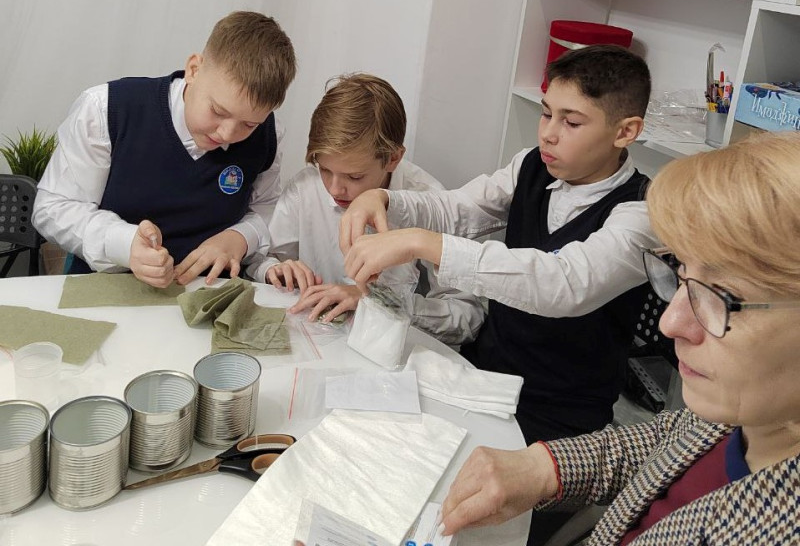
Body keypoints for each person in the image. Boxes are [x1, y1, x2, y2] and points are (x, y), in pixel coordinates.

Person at [439, 131, 800, 545]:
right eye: (682, 277)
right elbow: (677, 436)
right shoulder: (752, 417)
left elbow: (563, 282)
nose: (670, 323)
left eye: (723, 297)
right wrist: (546, 467)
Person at [340, 44, 659, 444]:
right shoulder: (532, 165)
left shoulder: (642, 213)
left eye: (572, 122)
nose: (548, 133)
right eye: (546, 113)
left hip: (560, 415)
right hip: (483, 376)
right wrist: (384, 199)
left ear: (625, 131)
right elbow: (459, 208)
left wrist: (421, 242)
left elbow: (561, 283)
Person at [33, 11, 297, 288]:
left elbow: (267, 208)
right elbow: (53, 208)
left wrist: (242, 236)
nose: (227, 134)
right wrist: (123, 243)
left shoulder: (270, 134)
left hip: (210, 295)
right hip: (105, 288)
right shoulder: (105, 109)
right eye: (218, 111)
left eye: (249, 124)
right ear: (194, 69)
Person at [247, 73, 484, 346]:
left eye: (354, 176)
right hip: (313, 342)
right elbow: (261, 260)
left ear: (393, 158)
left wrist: (381, 303)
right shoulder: (304, 188)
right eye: (324, 169)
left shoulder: (432, 203)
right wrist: (274, 270)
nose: (335, 189)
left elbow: (468, 317)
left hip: (389, 353)